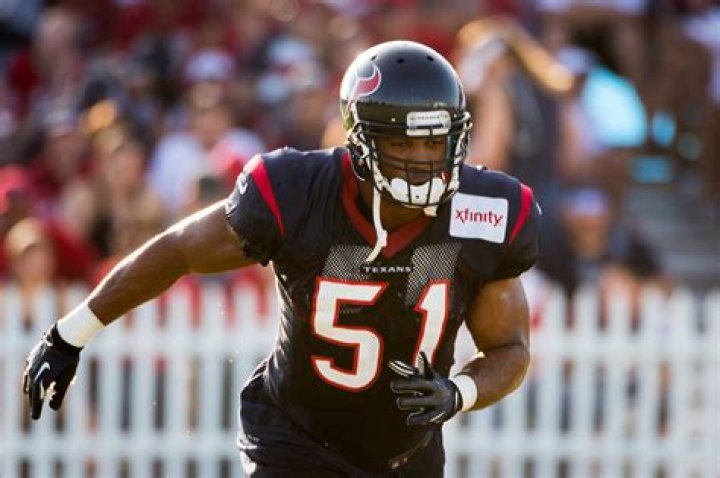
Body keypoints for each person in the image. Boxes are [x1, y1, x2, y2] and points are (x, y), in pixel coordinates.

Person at [22, 40, 541, 477]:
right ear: (361, 142)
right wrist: (71, 332)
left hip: (408, 456)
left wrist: (458, 392)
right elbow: (180, 250)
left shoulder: (488, 212)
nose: (424, 160)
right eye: (403, 144)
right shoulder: (298, 195)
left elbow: (510, 349)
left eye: (435, 141)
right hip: (296, 440)